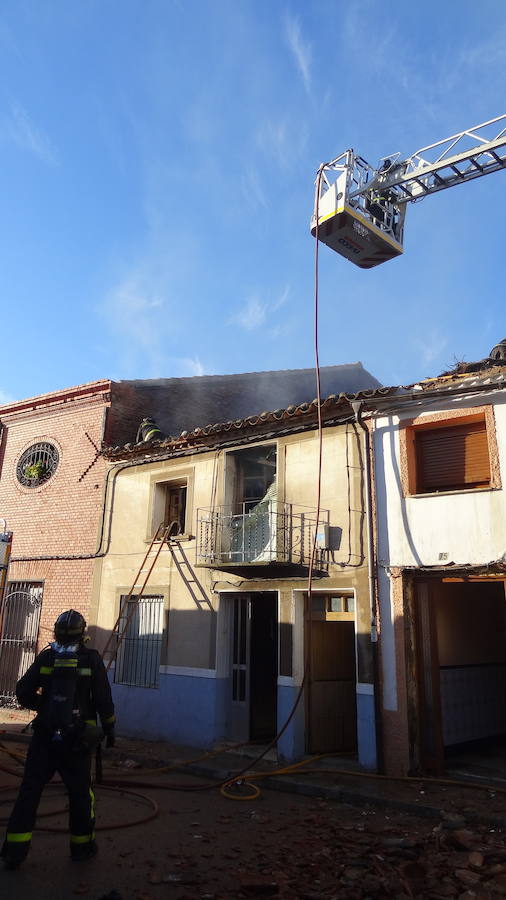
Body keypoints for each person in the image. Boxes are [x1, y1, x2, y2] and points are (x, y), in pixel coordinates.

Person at [1, 609, 115, 870]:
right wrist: (109, 729)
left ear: (56, 632)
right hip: (77, 741)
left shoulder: (47, 657)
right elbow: (103, 699)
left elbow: (22, 691)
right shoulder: (91, 659)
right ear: (83, 632)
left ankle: (14, 852)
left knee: (29, 792)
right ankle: (81, 848)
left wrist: (44, 706)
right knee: (80, 794)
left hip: (44, 736)